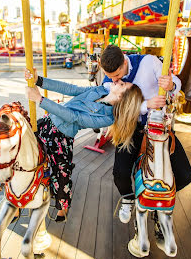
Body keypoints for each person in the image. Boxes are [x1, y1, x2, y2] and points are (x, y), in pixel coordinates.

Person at [24, 68, 144, 222]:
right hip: (49, 121)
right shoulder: (99, 90)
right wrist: (39, 80)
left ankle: (62, 206)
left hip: (61, 136)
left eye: (122, 84)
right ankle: (18, 197)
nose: (117, 80)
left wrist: (41, 100)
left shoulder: (108, 118)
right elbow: (71, 89)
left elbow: (74, 117)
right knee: (24, 149)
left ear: (121, 97)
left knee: (62, 174)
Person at [100, 45, 191, 225]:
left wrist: (171, 85)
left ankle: (161, 204)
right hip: (130, 127)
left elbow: (176, 84)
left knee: (185, 175)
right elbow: (119, 107)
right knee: (120, 173)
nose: (114, 80)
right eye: (110, 77)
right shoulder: (107, 81)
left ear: (124, 61)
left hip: (157, 124)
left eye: (117, 76)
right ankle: (128, 198)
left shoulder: (149, 62)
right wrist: (146, 104)